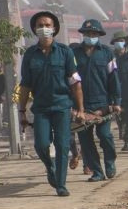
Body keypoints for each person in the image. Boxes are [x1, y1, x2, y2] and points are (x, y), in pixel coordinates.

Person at [17, 10, 88, 195]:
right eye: (40, 25)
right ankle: (50, 167)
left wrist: (80, 109)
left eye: (47, 25)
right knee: (40, 144)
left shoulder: (65, 52)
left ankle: (61, 184)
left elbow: (75, 82)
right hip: (41, 108)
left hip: (62, 106)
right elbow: (25, 85)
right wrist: (21, 110)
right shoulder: (30, 55)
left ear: (54, 29)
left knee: (63, 145)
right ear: (34, 29)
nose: (44, 28)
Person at [72, 18, 122, 181]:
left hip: (103, 104)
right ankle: (97, 171)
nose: (90, 36)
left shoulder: (107, 53)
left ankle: (110, 162)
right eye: (87, 33)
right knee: (86, 142)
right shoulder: (74, 54)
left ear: (99, 35)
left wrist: (116, 102)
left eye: (93, 33)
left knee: (105, 135)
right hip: (81, 106)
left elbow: (113, 78)